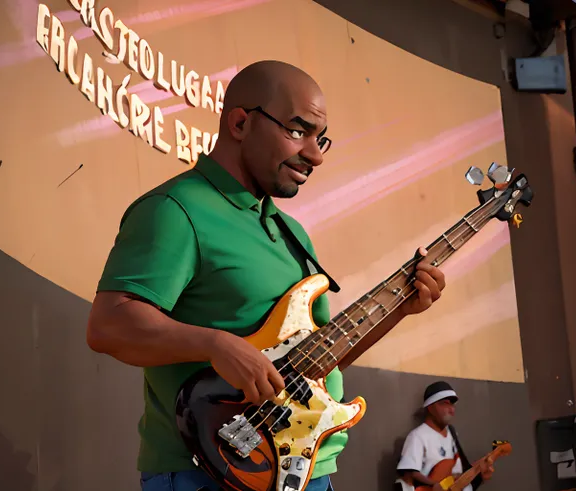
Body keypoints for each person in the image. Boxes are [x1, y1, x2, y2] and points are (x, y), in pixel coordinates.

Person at [86, 59, 447, 491]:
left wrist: (400, 309)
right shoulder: (174, 210)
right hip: (209, 473)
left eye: (321, 138)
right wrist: (216, 344)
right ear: (240, 123)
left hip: (308, 473)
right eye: (298, 131)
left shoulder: (292, 233)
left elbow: (314, 361)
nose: (314, 155)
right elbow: (108, 325)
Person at [395, 381, 494, 491]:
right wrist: (434, 485)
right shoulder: (418, 436)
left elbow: (459, 475)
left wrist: (479, 474)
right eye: (445, 403)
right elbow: (408, 474)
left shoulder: (452, 434)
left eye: (452, 404)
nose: (451, 409)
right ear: (430, 407)